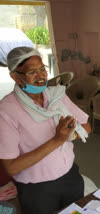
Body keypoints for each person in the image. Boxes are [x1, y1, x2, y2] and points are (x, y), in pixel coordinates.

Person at [0, 47, 91, 213]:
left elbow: (86, 126)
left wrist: (69, 136)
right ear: (15, 76)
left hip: (70, 177)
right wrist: (57, 140)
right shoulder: (6, 112)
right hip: (37, 190)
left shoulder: (57, 96)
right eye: (32, 72)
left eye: (42, 69)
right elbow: (11, 167)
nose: (41, 76)